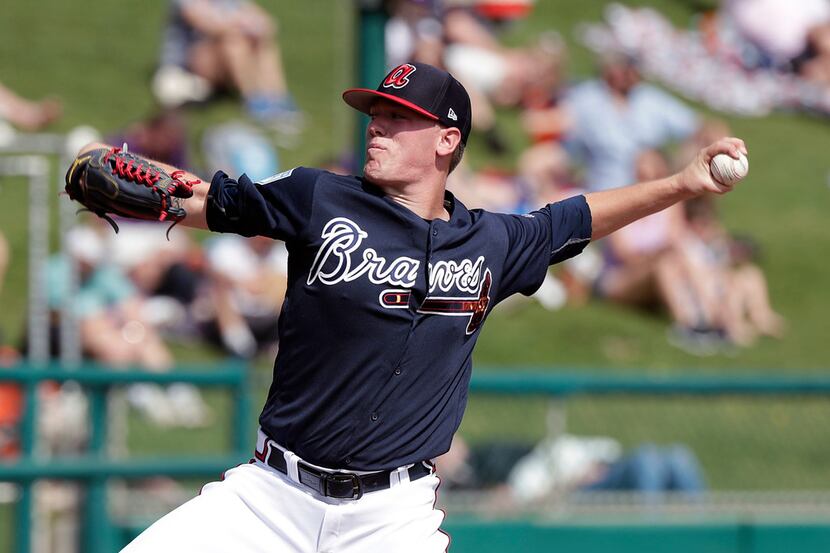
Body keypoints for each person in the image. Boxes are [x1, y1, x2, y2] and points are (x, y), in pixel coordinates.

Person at [71, 62, 747, 552]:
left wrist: (684, 183)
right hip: (269, 496)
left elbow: (575, 218)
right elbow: (214, 201)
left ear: (447, 140)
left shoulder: (491, 243)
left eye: (399, 118)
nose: (378, 126)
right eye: (376, 114)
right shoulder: (319, 198)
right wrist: (143, 189)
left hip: (391, 517)